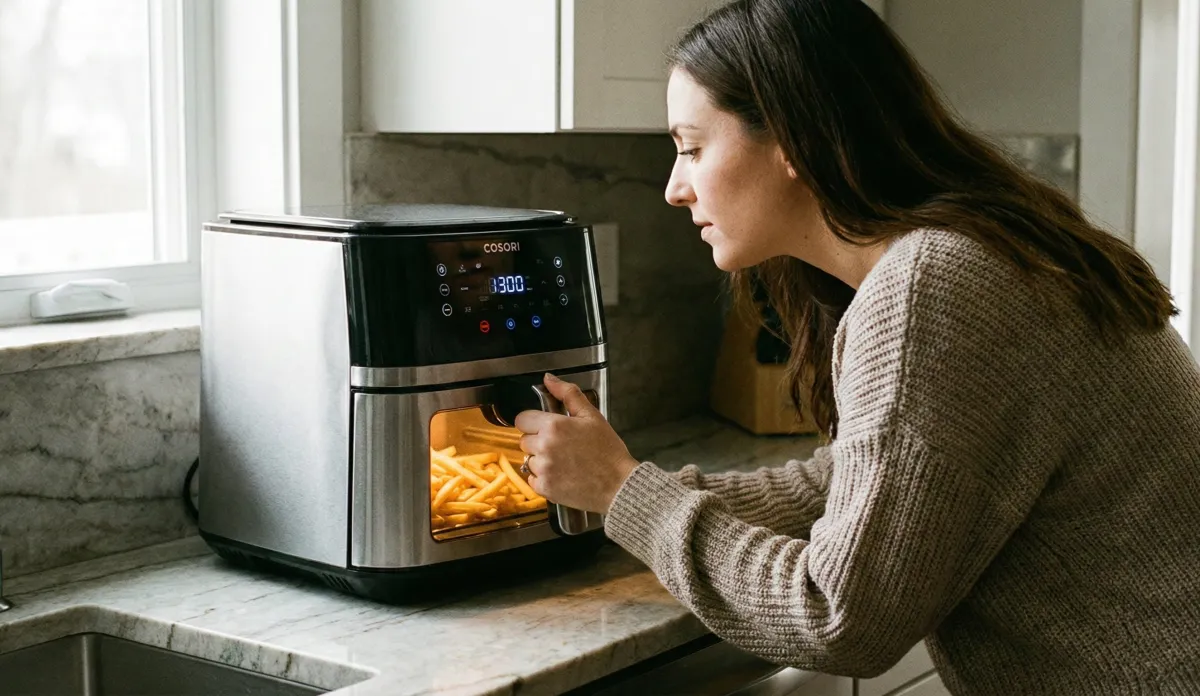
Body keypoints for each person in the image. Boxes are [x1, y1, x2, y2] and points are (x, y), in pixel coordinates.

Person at [513, 0, 1200, 693]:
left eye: (691, 147)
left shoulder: (933, 284)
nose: (673, 187)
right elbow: (847, 482)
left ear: (790, 139)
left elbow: (839, 615)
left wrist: (629, 494)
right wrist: (626, 490)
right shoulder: (972, 251)